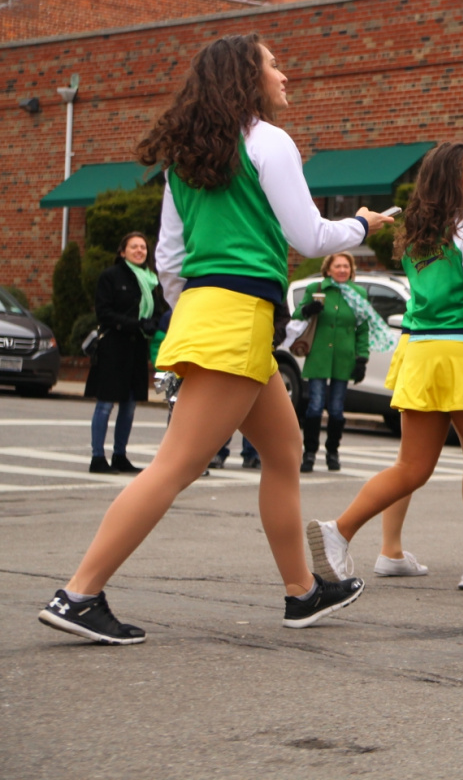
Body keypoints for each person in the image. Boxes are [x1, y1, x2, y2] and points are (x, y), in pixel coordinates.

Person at [38, 33, 388, 645]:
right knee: (176, 465)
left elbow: (170, 259)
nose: (284, 74)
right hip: (237, 316)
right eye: (274, 64)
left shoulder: (188, 159)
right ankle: (79, 594)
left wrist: (191, 313)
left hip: (211, 310)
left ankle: (302, 593)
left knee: (283, 451)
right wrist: (361, 222)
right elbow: (307, 236)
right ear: (246, 78)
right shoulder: (270, 141)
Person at [306, 143, 463, 592]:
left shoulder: (417, 235)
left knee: (411, 466)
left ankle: (339, 530)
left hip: (421, 352)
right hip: (461, 352)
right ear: (453, 179)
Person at [83, 231, 165, 474]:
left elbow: (158, 311)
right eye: (134, 247)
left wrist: (153, 324)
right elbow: (104, 313)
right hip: (113, 348)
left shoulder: (151, 280)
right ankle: (98, 458)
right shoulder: (111, 276)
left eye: (143, 247)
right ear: (122, 252)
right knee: (106, 404)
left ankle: (120, 455)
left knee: (129, 406)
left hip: (137, 349)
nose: (140, 251)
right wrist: (136, 324)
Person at [293, 251, 372, 472]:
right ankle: (309, 453)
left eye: (346, 266)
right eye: (337, 266)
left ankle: (332, 453)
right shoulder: (316, 290)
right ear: (328, 269)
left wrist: (362, 358)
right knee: (315, 406)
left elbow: (363, 329)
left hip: (344, 358)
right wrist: (309, 309)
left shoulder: (358, 294)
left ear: (351, 270)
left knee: (337, 409)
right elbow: (298, 316)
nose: (342, 270)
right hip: (318, 355)